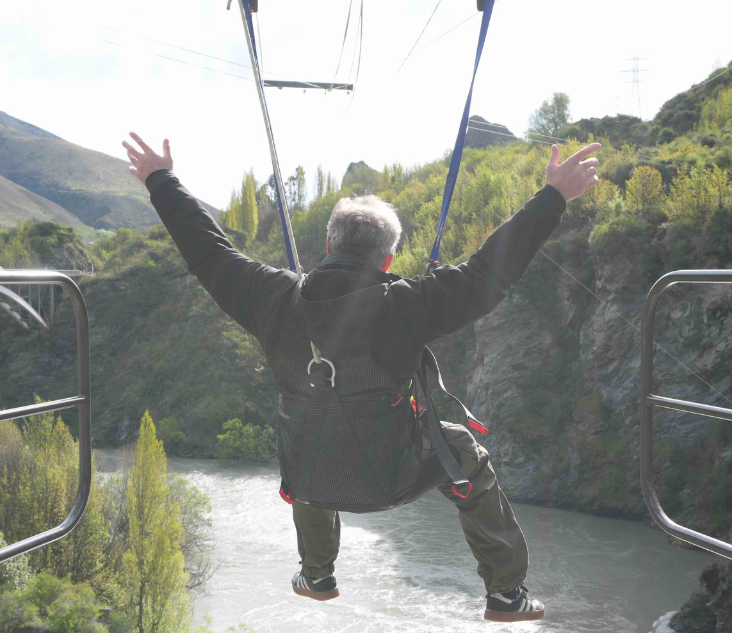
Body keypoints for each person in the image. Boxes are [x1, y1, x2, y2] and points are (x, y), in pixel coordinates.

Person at [124, 132, 601, 622]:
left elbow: (207, 251)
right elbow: (488, 272)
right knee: (463, 453)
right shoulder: (409, 303)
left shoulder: (269, 297)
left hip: (311, 480)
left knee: (307, 428)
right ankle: (505, 594)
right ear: (388, 259)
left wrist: (161, 180)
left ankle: (316, 574)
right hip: (390, 477)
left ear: (330, 244)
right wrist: (553, 196)